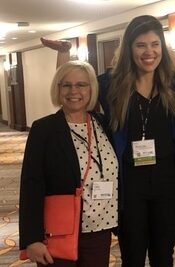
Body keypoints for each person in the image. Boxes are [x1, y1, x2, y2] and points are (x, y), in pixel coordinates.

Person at [41, 15, 175, 267]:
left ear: (162, 48)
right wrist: (64, 54)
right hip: (128, 185)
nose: (149, 52)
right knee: (132, 255)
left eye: (155, 44)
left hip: (168, 186)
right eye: (141, 45)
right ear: (129, 49)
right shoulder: (110, 83)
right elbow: (74, 86)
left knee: (163, 255)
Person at [19, 60, 118, 266]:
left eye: (81, 84)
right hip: (59, 230)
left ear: (92, 88)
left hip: (100, 228)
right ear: (58, 89)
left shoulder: (103, 123)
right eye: (66, 85)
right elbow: (31, 185)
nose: (74, 91)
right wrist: (32, 239)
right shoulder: (43, 129)